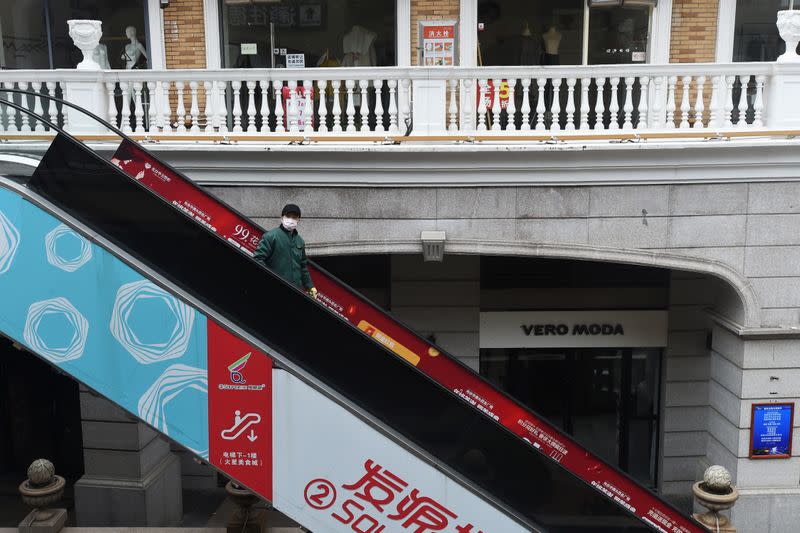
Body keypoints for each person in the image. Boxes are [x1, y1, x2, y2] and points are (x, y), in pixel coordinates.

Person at [253, 204, 317, 299]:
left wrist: (310, 286)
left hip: (296, 290)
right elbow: (258, 259)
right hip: (275, 290)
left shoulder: (300, 241)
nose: (290, 219)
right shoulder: (271, 236)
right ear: (282, 218)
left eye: (294, 217)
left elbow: (303, 267)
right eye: (288, 216)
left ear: (298, 220)